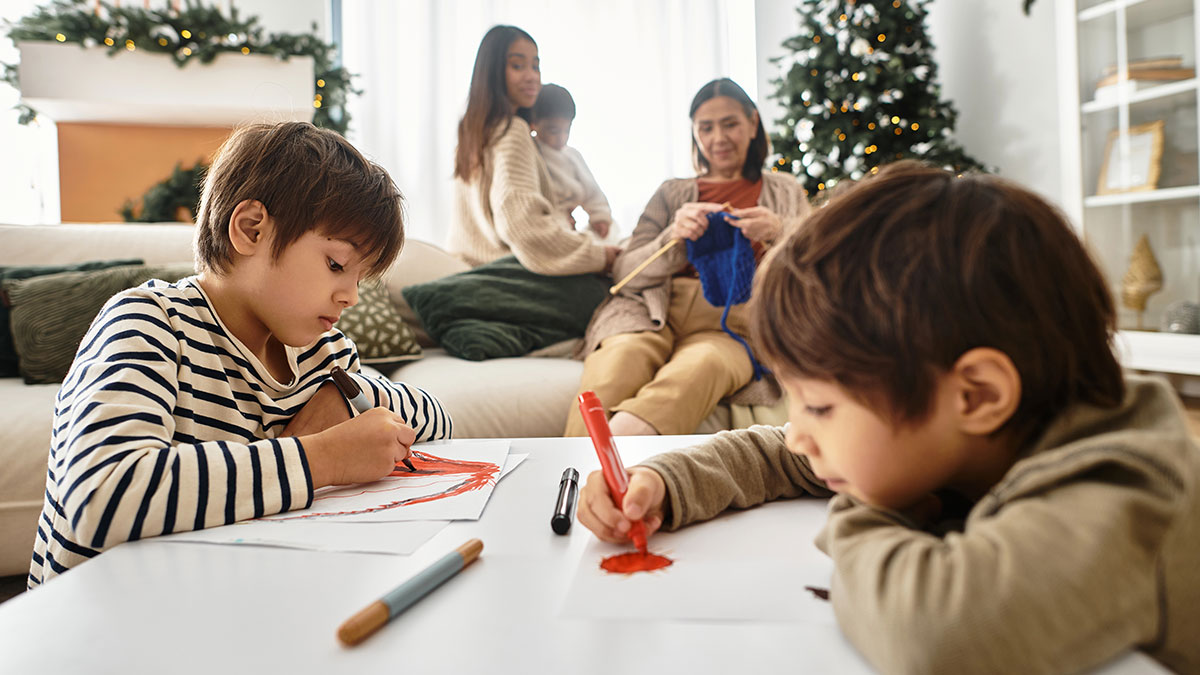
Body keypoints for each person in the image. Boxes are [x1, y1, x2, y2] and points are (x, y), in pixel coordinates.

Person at [577, 161, 1200, 674]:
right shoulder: (973, 430)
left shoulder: (1122, 488)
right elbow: (777, 454)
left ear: (977, 395)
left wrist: (872, 506)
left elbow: (933, 634)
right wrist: (663, 484)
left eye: (820, 407)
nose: (800, 433)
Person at [29, 122, 452, 588]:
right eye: (336, 265)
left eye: (360, 277)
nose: (350, 296)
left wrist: (344, 395)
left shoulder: (324, 356)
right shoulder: (151, 323)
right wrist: (322, 459)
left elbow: (437, 419)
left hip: (229, 602)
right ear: (251, 229)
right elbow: (102, 498)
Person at [564, 78, 810, 437]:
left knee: (702, 366)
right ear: (694, 133)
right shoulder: (671, 193)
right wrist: (673, 237)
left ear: (753, 123)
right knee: (619, 363)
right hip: (650, 312)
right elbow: (625, 272)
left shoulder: (784, 190)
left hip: (732, 325)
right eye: (706, 128)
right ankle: (568, 471)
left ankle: (612, 458)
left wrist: (778, 231)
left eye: (730, 124)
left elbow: (816, 271)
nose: (718, 138)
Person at [448, 25, 617, 275]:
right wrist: (598, 255)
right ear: (493, 73)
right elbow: (523, 227)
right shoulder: (513, 131)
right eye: (517, 66)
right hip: (507, 274)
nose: (531, 77)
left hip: (467, 269)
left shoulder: (472, 133)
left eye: (535, 66)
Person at [529, 83, 614, 240]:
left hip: (569, 223)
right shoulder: (531, 152)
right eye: (553, 131)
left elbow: (592, 190)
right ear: (534, 124)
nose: (561, 137)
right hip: (549, 224)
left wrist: (599, 215)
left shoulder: (572, 156)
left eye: (566, 130)